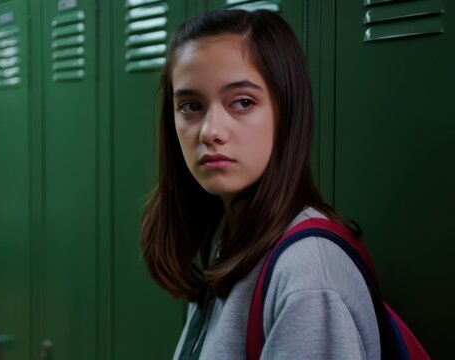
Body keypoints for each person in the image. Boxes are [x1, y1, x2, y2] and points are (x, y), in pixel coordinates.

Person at [140, 9, 381, 360]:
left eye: (242, 102)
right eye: (190, 106)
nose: (210, 131)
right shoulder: (228, 238)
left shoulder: (309, 281)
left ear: (286, 110)